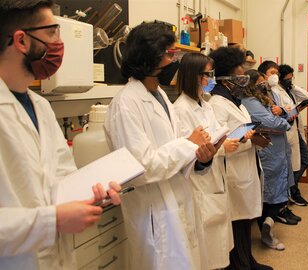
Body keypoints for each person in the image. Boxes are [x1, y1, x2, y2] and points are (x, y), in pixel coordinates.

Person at [0, 1, 121, 269]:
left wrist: (93, 193)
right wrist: (52, 220)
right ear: (21, 40)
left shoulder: (41, 106)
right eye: (53, 32)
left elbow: (62, 178)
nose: (59, 43)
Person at [104, 22, 221, 270]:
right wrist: (188, 145)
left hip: (177, 201)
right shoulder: (125, 103)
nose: (174, 61)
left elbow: (176, 149)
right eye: (169, 54)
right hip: (154, 213)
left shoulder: (161, 98)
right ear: (149, 58)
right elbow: (140, 168)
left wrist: (201, 157)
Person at [208, 47, 272, 270]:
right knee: (236, 223)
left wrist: (252, 137)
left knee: (245, 222)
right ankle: (241, 265)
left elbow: (242, 130)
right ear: (226, 80)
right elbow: (222, 142)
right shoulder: (217, 103)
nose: (244, 79)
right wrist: (249, 141)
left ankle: (249, 262)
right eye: (240, 75)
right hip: (232, 173)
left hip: (245, 169)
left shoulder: (236, 100)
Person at [173, 52, 233, 269]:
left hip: (215, 179)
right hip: (198, 186)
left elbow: (216, 134)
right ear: (194, 75)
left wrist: (220, 144)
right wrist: (210, 150)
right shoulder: (180, 109)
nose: (212, 79)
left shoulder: (205, 104)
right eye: (208, 74)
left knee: (217, 249)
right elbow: (183, 154)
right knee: (204, 252)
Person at [241, 69, 292, 250]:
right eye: (260, 83)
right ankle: (266, 231)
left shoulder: (263, 98)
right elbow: (271, 122)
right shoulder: (249, 102)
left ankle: (268, 225)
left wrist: (283, 117)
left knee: (277, 191)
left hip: (277, 150)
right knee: (268, 193)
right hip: (268, 152)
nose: (263, 86)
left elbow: (280, 115)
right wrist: (284, 122)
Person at [258, 61, 301, 225]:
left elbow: (284, 112)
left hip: (281, 141)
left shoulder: (275, 93)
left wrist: (282, 112)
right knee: (271, 185)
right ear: (262, 75)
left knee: (282, 179)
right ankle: (272, 216)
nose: (275, 76)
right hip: (270, 143)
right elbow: (271, 120)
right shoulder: (257, 96)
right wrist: (283, 116)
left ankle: (280, 211)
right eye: (271, 72)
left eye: (276, 72)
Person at [279, 64, 308, 207]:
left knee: (304, 160)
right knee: (293, 164)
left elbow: (306, 96)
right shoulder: (277, 91)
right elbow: (282, 112)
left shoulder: (288, 90)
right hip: (287, 130)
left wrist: (291, 85)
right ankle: (292, 191)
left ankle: (292, 188)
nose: (290, 80)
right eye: (287, 78)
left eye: (291, 78)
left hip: (295, 129)